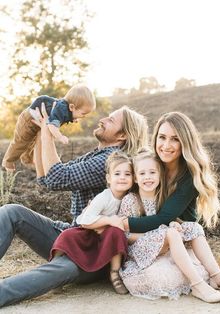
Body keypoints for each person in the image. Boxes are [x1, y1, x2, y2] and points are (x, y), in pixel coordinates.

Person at [0, 105, 148, 308]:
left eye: (111, 120)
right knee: (12, 212)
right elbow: (47, 179)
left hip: (96, 250)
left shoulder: (108, 162)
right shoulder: (96, 155)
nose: (102, 120)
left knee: (59, 269)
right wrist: (43, 132)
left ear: (122, 135)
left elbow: (58, 177)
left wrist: (49, 129)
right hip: (74, 233)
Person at [115, 112, 220, 301]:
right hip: (153, 237)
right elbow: (121, 182)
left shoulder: (189, 176)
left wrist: (124, 223)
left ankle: (216, 275)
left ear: (185, 142)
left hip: (176, 235)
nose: (166, 145)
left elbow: (164, 218)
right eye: (162, 137)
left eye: (175, 139)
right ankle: (199, 284)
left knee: (191, 231)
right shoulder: (152, 166)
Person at [118, 149, 220, 302]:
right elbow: (123, 236)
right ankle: (198, 285)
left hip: (161, 244)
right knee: (170, 234)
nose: (148, 177)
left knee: (194, 228)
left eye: (152, 172)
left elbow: (166, 221)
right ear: (135, 178)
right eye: (142, 174)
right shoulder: (131, 200)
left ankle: (216, 275)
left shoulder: (163, 196)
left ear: (160, 175)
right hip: (138, 249)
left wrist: (173, 224)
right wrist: (160, 235)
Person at [51, 151, 134, 295]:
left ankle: (115, 274)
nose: (122, 178)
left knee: (116, 233)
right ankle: (55, 272)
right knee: (67, 235)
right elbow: (84, 220)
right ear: (108, 178)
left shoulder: (131, 198)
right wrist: (108, 220)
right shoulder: (104, 197)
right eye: (117, 174)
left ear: (133, 178)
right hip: (90, 232)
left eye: (127, 174)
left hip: (108, 237)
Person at [2, 84, 96, 172]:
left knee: (31, 142)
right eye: (83, 114)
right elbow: (52, 126)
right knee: (21, 141)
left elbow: (65, 117)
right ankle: (8, 161)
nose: (83, 116)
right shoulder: (61, 110)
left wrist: (73, 118)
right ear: (72, 107)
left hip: (35, 121)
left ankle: (27, 159)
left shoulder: (66, 109)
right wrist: (60, 136)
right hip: (28, 120)